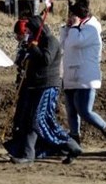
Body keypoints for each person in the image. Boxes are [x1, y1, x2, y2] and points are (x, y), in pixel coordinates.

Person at [9, 15, 82, 165]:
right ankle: (28, 155)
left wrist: (34, 48)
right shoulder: (34, 42)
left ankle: (72, 146)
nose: (27, 33)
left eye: (29, 30)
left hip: (48, 86)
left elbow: (45, 60)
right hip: (35, 86)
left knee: (40, 120)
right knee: (31, 120)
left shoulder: (50, 41)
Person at [60, 0, 106, 154]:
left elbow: (75, 42)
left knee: (85, 111)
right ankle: (74, 142)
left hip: (85, 77)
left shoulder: (91, 28)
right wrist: (68, 28)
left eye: (71, 16)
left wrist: (74, 27)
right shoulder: (74, 28)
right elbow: (64, 44)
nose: (69, 19)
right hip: (70, 74)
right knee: (71, 110)